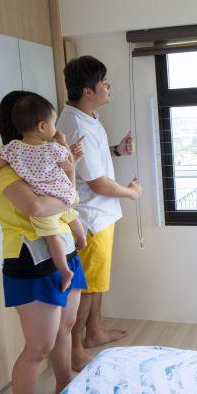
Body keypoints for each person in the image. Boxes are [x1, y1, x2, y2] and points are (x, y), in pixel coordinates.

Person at [0, 90, 87, 394]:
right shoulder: (2, 165)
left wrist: (69, 167)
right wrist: (67, 184)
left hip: (63, 250)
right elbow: (38, 208)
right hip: (30, 259)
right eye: (50, 121)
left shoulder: (41, 157)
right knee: (38, 348)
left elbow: (65, 199)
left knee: (66, 328)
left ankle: (63, 385)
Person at [56, 55, 142, 371]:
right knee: (88, 288)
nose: (108, 86)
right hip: (90, 217)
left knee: (96, 283)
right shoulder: (75, 124)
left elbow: (90, 162)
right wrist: (131, 192)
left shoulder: (87, 116)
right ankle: (76, 349)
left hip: (101, 216)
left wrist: (117, 150)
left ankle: (95, 333)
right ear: (88, 91)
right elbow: (98, 183)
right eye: (103, 81)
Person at [0, 93, 86, 292]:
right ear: (41, 125)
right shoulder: (51, 149)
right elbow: (38, 205)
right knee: (71, 218)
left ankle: (67, 267)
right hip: (34, 251)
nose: (55, 128)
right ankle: (79, 243)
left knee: (54, 235)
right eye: (53, 122)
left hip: (61, 232)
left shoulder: (12, 151)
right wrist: (64, 146)